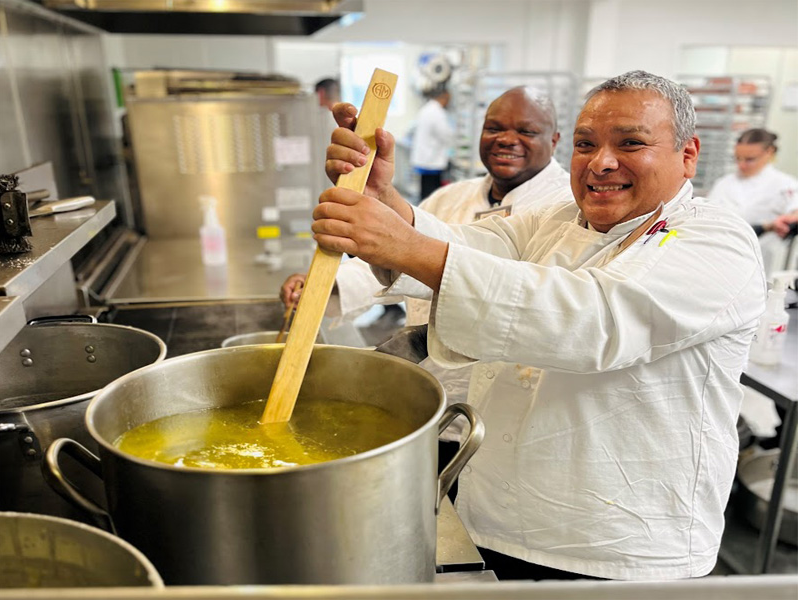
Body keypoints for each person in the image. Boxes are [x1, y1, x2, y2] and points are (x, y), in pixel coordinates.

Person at [312, 70, 767, 581]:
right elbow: (467, 247)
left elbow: (594, 319)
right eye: (585, 144)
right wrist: (383, 201)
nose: (601, 162)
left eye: (631, 143)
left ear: (688, 154)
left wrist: (402, 244)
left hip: (618, 548)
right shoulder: (557, 218)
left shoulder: (714, 238)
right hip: (501, 513)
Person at [281, 87, 572, 475]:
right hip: (428, 405)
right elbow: (398, 254)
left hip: (507, 430)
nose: (506, 139)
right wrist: (327, 284)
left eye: (526, 131)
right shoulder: (452, 197)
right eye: (494, 128)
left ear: (554, 140)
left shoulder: (569, 209)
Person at [708, 128, 798, 274]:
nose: (741, 165)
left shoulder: (785, 184)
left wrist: (788, 219)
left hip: (763, 262)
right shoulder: (723, 183)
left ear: (769, 152)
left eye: (750, 159)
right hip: (721, 258)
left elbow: (795, 211)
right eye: (738, 158)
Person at [410, 87, 454, 200]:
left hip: (426, 158)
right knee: (431, 195)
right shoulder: (437, 113)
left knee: (425, 191)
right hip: (432, 159)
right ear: (443, 97)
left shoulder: (426, 109)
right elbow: (444, 134)